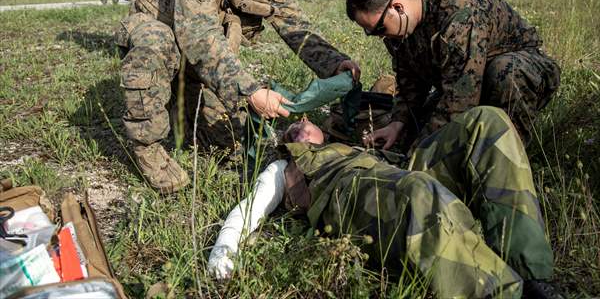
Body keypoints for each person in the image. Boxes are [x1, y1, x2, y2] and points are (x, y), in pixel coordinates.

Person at [116, 0, 360, 193]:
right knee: (155, 41)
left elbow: (295, 26)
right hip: (168, 43)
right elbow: (198, 35)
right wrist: (250, 90)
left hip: (200, 66)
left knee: (229, 143)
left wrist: (335, 63)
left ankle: (182, 103)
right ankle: (147, 147)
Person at [208, 107, 562, 298]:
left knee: (487, 121)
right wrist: (223, 254)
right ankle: (507, 293)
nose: (298, 126)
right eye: (289, 132)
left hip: (400, 169)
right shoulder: (284, 167)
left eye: (303, 120)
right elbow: (248, 210)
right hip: (357, 194)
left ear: (322, 129)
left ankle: (533, 275)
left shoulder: (346, 137)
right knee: (418, 193)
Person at [345, 0, 560, 150]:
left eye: (378, 29)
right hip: (466, 82)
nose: (380, 36)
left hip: (521, 72)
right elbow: (410, 80)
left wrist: (417, 158)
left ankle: (511, 153)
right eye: (371, 32)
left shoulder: (459, 13)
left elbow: (461, 100)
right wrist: (398, 123)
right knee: (414, 129)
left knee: (505, 72)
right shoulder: (400, 27)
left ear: (398, 7)